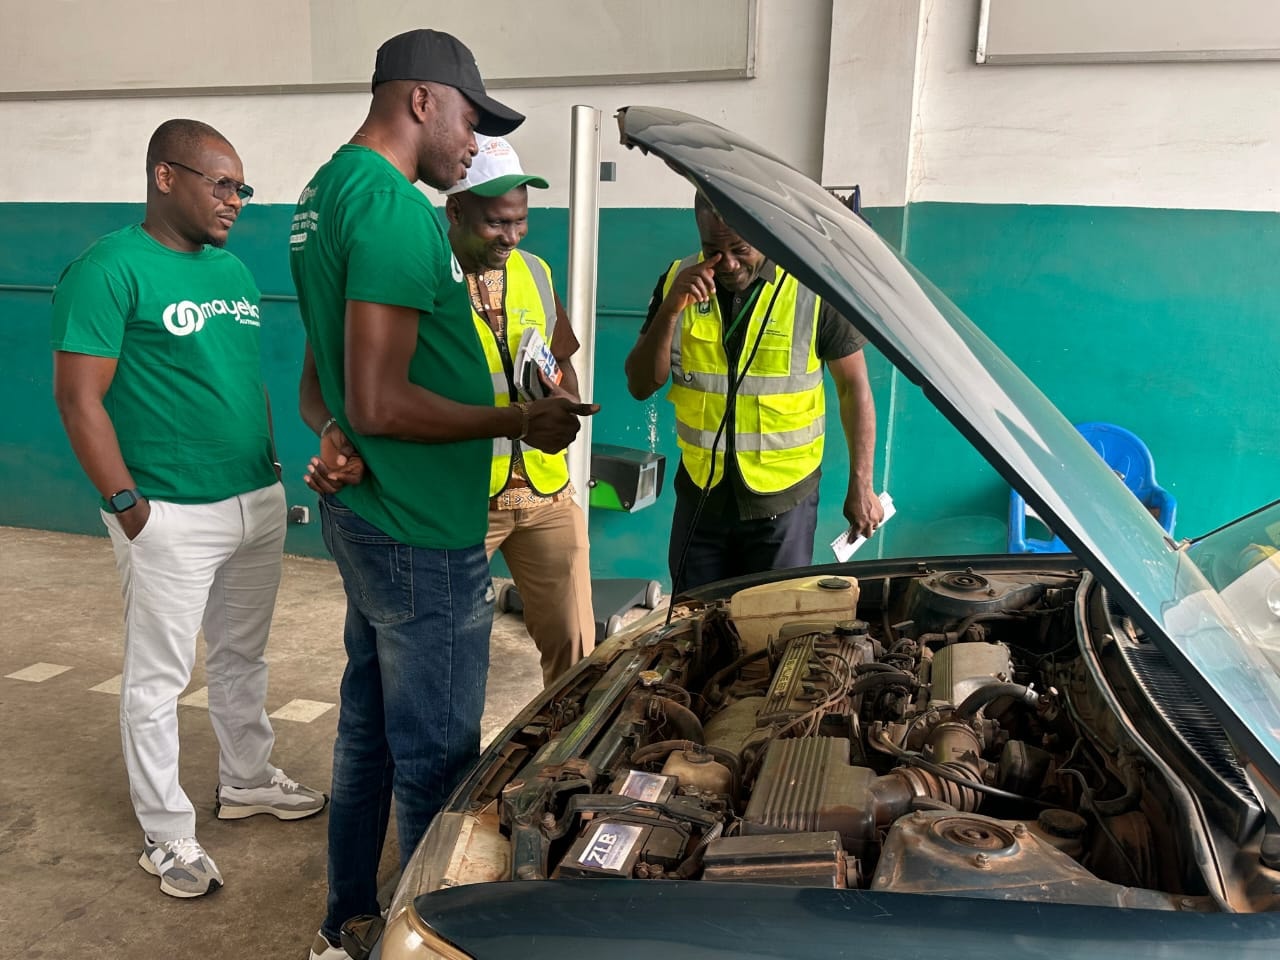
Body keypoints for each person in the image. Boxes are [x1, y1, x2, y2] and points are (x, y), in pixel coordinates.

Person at [289, 30, 595, 960]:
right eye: (471, 118)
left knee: (370, 735)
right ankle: (428, 941)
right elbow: (382, 399)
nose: (475, 142)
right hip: (420, 529)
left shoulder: (326, 191)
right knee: (436, 763)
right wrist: (519, 421)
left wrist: (336, 429)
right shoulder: (392, 209)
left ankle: (346, 921)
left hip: (374, 511)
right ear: (421, 100)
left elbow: (341, 381)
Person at [50, 119, 326, 900]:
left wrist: (270, 469)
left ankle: (246, 779)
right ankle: (166, 833)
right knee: (157, 680)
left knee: (243, 657)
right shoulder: (108, 269)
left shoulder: (233, 271)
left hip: (254, 498)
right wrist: (129, 507)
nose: (235, 199)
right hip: (167, 513)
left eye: (242, 187)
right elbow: (78, 399)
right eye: (221, 183)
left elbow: (243, 379)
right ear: (165, 177)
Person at [624, 192, 884, 594]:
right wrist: (671, 308)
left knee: (770, 621)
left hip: (783, 505)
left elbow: (854, 389)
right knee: (696, 617)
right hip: (701, 497)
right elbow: (641, 385)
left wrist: (862, 485)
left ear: (762, 231)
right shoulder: (679, 278)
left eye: (740, 249)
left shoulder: (813, 285)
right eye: (713, 250)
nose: (727, 263)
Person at [444, 135, 595, 687]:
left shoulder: (535, 271)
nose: (511, 236)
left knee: (578, 651)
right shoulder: (426, 276)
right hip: (463, 501)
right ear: (455, 211)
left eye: (520, 221)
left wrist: (565, 401)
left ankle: (571, 739)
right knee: (447, 650)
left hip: (545, 493)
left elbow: (561, 360)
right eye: (497, 223)